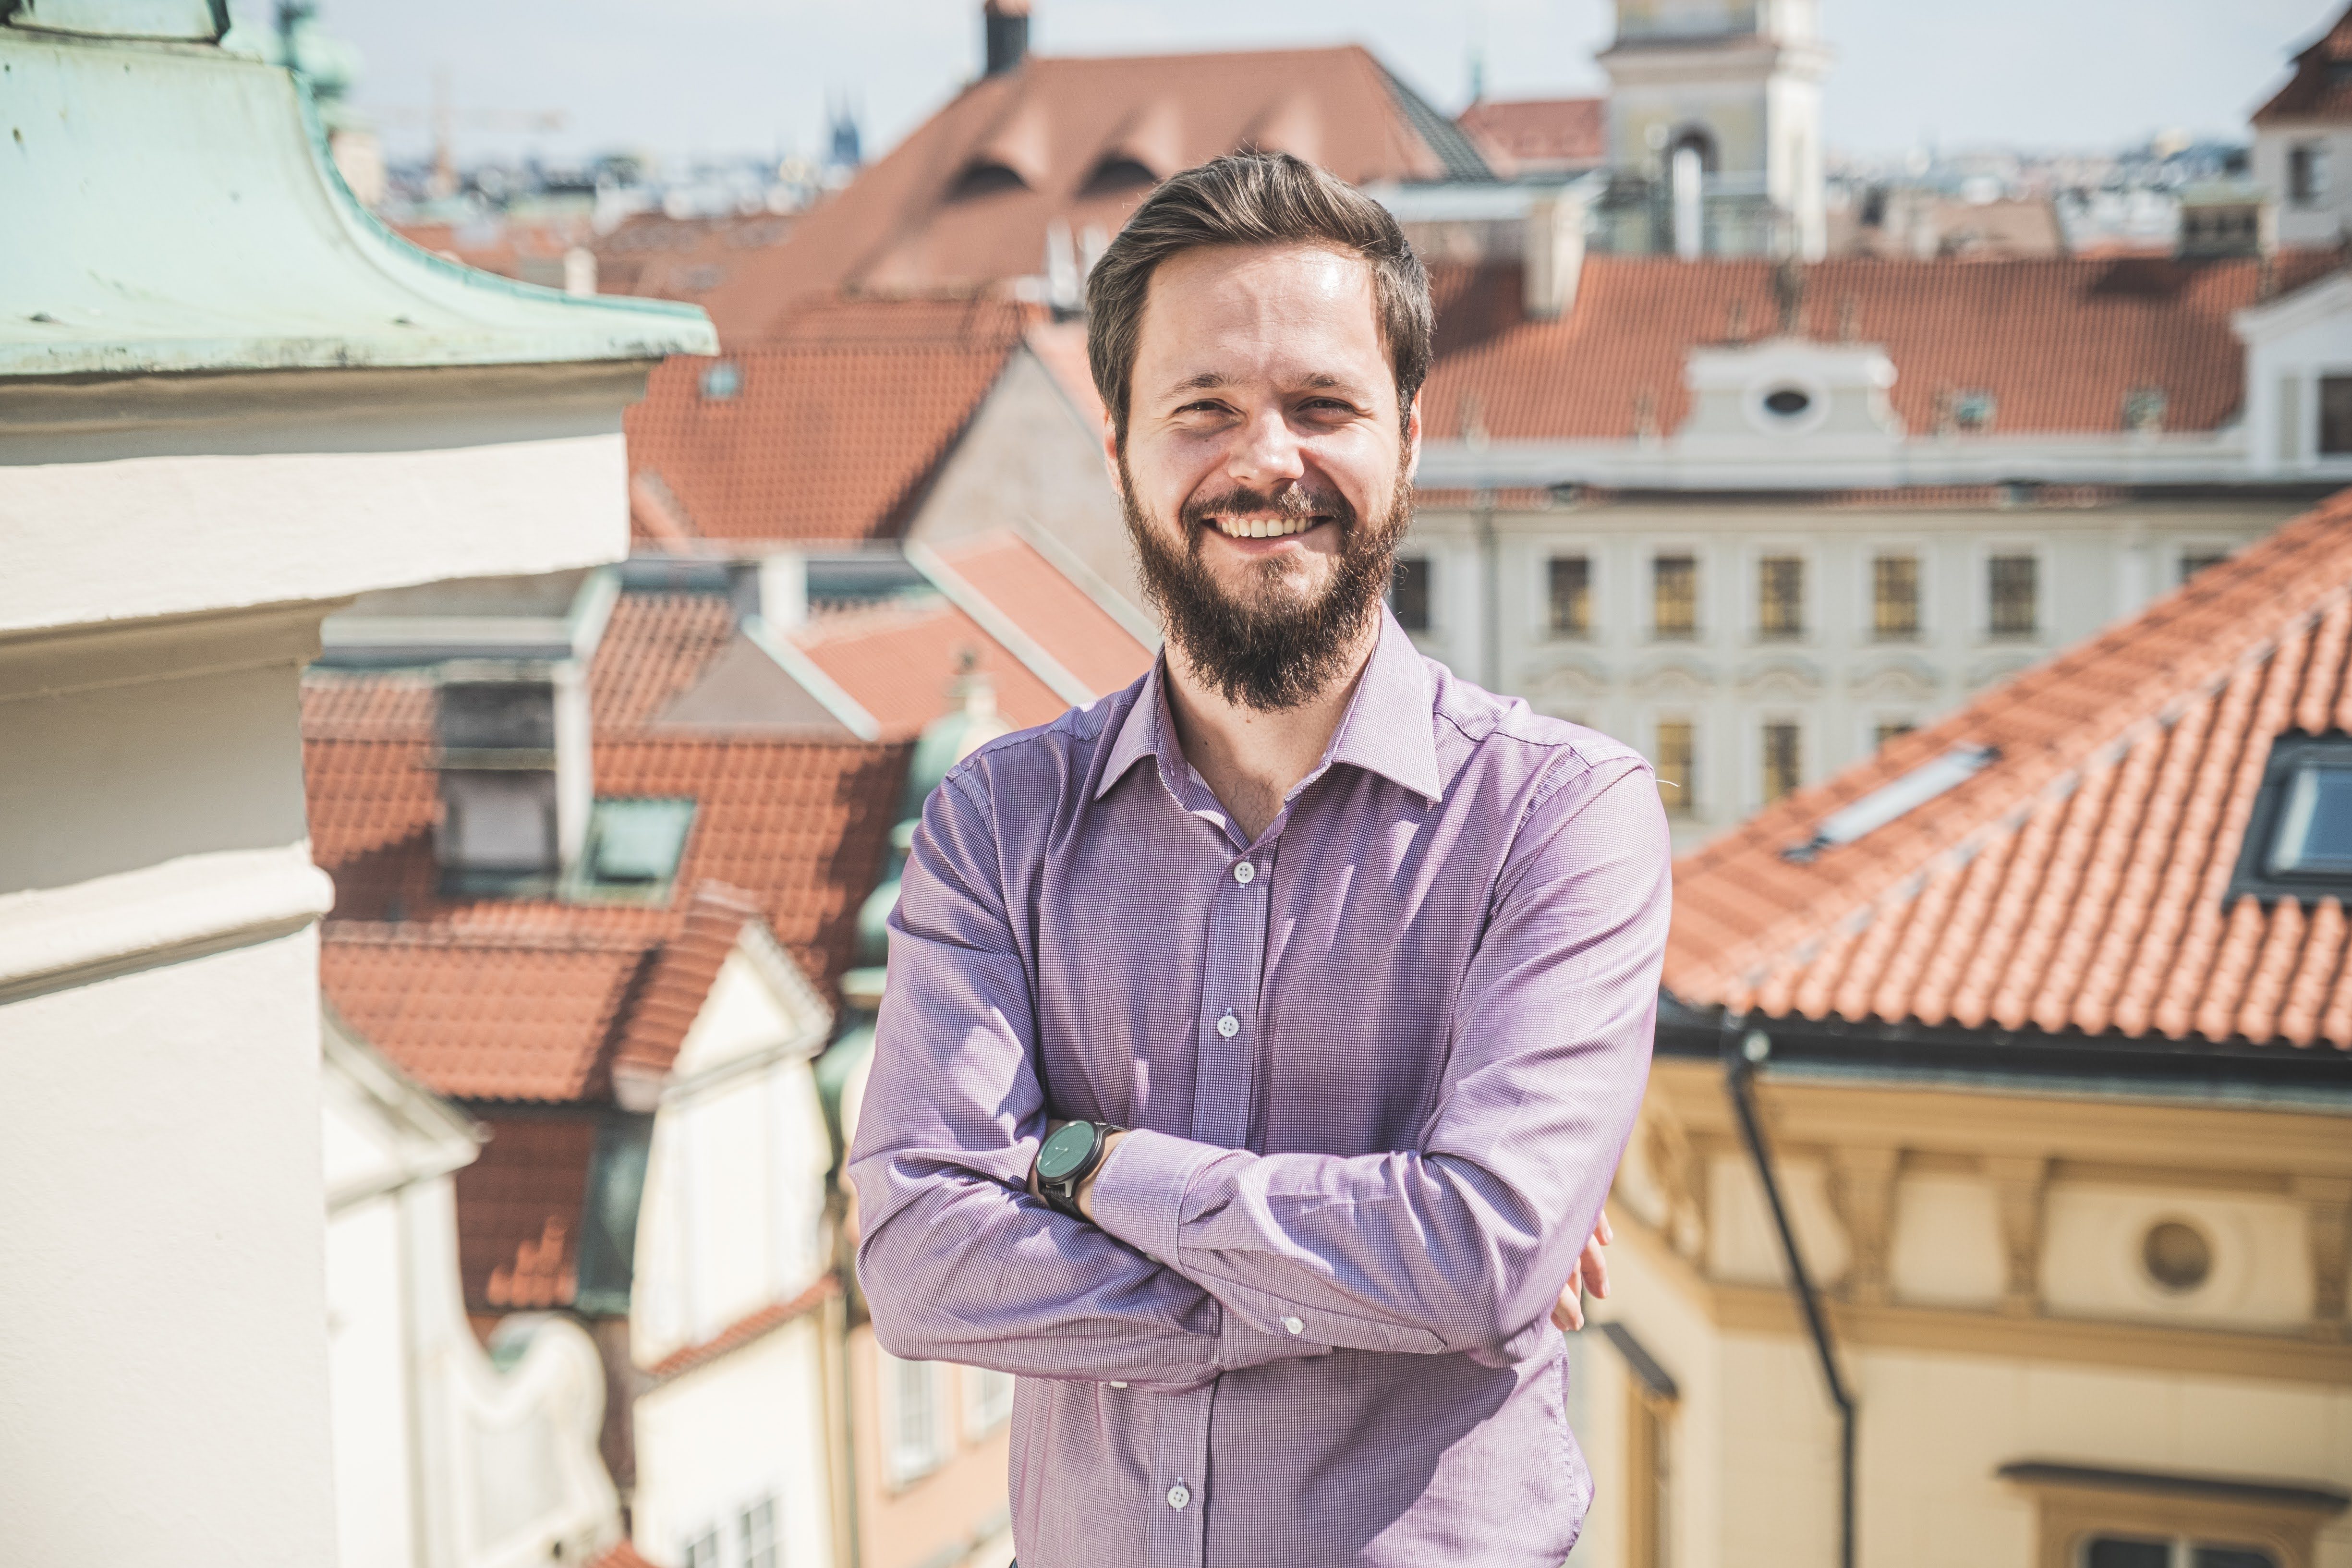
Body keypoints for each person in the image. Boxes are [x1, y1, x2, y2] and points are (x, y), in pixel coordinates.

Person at [847, 150, 1670, 1568]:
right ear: (1120, 447)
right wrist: (1385, 1284)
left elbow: (1483, 1255)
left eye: (1322, 405)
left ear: (1410, 436)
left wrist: (1081, 1166)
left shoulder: (1558, 817)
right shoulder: (998, 819)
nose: (1266, 459)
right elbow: (920, 1265)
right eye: (1204, 409)